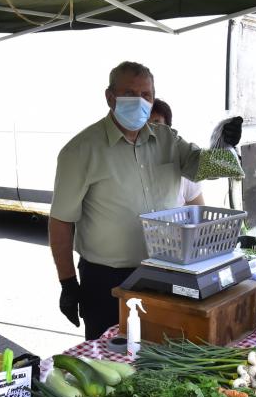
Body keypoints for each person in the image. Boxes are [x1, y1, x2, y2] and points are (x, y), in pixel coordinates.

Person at [49, 61, 243, 340]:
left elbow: (201, 166)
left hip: (166, 273)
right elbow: (60, 222)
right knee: (107, 358)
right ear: (110, 97)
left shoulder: (168, 140)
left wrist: (224, 146)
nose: (140, 101)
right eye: (130, 93)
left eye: (147, 95)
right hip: (107, 279)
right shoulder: (80, 150)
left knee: (161, 353)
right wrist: (67, 283)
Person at [148, 98, 204, 207]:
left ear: (168, 129)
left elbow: (198, 209)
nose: (150, 129)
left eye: (156, 123)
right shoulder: (130, 161)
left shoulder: (182, 159)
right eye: (146, 124)